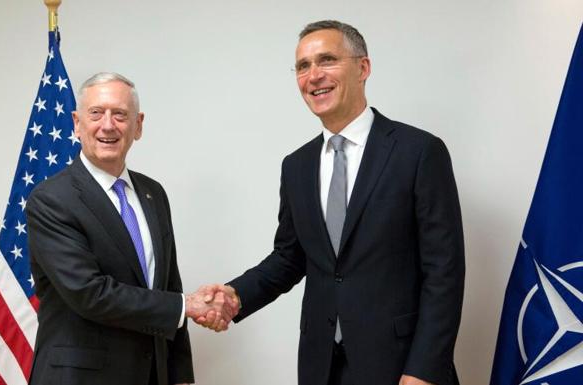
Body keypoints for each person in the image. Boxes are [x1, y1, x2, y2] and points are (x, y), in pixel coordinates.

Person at [198, 20, 465, 385]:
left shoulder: (419, 152)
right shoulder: (297, 165)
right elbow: (289, 257)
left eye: (327, 60)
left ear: (363, 68)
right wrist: (233, 296)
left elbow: (445, 272)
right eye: (303, 66)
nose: (314, 75)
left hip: (402, 367)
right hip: (321, 365)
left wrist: (423, 370)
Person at [26, 72, 236, 385]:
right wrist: (186, 305)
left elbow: (168, 285)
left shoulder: (153, 194)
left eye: (120, 115)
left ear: (137, 125)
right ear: (76, 123)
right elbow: (90, 293)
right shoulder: (51, 200)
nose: (108, 125)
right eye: (96, 113)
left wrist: (181, 375)